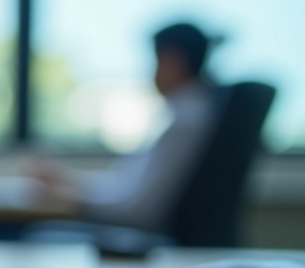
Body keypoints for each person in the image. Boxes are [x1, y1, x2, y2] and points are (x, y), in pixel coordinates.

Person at [31, 22, 219, 232]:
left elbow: (135, 211)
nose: (152, 73)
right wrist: (68, 181)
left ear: (173, 61)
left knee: (29, 233)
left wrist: (67, 197)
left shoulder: (186, 124)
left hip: (137, 238)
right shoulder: (188, 116)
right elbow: (125, 188)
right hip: (135, 232)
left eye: (156, 62)